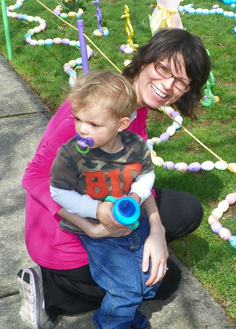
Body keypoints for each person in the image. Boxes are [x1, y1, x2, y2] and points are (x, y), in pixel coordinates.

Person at [18, 28, 212, 329]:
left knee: (185, 212)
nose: (166, 85)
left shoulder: (137, 107)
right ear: (145, 59)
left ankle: (123, 260)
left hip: (104, 199)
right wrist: (91, 227)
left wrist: (157, 232)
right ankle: (51, 290)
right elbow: (34, 176)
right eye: (162, 68)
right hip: (64, 232)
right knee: (158, 281)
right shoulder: (92, 112)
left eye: (181, 83)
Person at [50, 70, 159, 329]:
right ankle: (111, 322)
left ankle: (128, 315)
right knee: (126, 290)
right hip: (100, 233)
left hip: (135, 224)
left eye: (94, 125)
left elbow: (147, 175)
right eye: (78, 119)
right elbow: (59, 192)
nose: (82, 129)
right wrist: (96, 209)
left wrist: (136, 195)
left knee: (149, 283)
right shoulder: (71, 154)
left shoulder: (135, 146)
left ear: (121, 124)